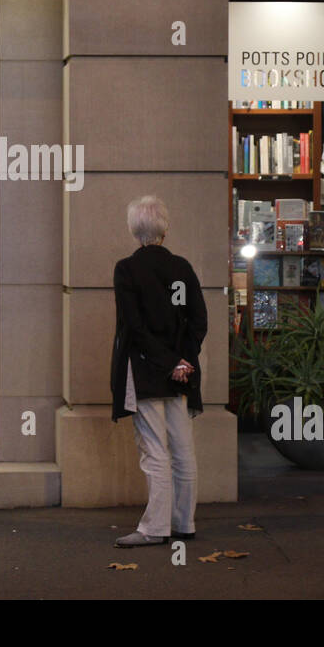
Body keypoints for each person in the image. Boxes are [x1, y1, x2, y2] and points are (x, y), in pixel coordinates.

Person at [111, 195, 207, 548]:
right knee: (183, 450)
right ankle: (184, 522)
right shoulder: (182, 267)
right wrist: (182, 361)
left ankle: (154, 528)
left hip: (147, 371)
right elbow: (197, 320)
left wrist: (166, 362)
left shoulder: (127, 270)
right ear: (165, 228)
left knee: (155, 452)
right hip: (182, 373)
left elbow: (134, 327)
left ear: (135, 230)